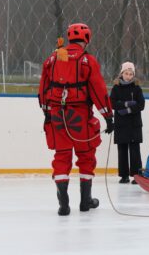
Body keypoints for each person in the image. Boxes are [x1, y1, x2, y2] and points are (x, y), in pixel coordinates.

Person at [38, 23, 114, 216]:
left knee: (61, 156)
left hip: (57, 115)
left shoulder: (53, 58)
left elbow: (43, 89)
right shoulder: (87, 60)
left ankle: (63, 203)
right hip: (80, 116)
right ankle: (85, 201)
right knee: (86, 156)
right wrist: (108, 115)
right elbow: (98, 90)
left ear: (69, 38)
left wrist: (47, 112)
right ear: (86, 39)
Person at [110, 62, 145, 184]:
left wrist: (128, 110)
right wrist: (125, 104)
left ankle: (136, 175)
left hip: (134, 124)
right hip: (121, 124)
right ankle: (124, 175)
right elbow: (112, 103)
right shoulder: (116, 88)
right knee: (122, 149)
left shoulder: (136, 88)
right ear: (122, 73)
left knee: (135, 150)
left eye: (131, 74)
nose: (128, 76)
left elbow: (141, 104)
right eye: (126, 73)